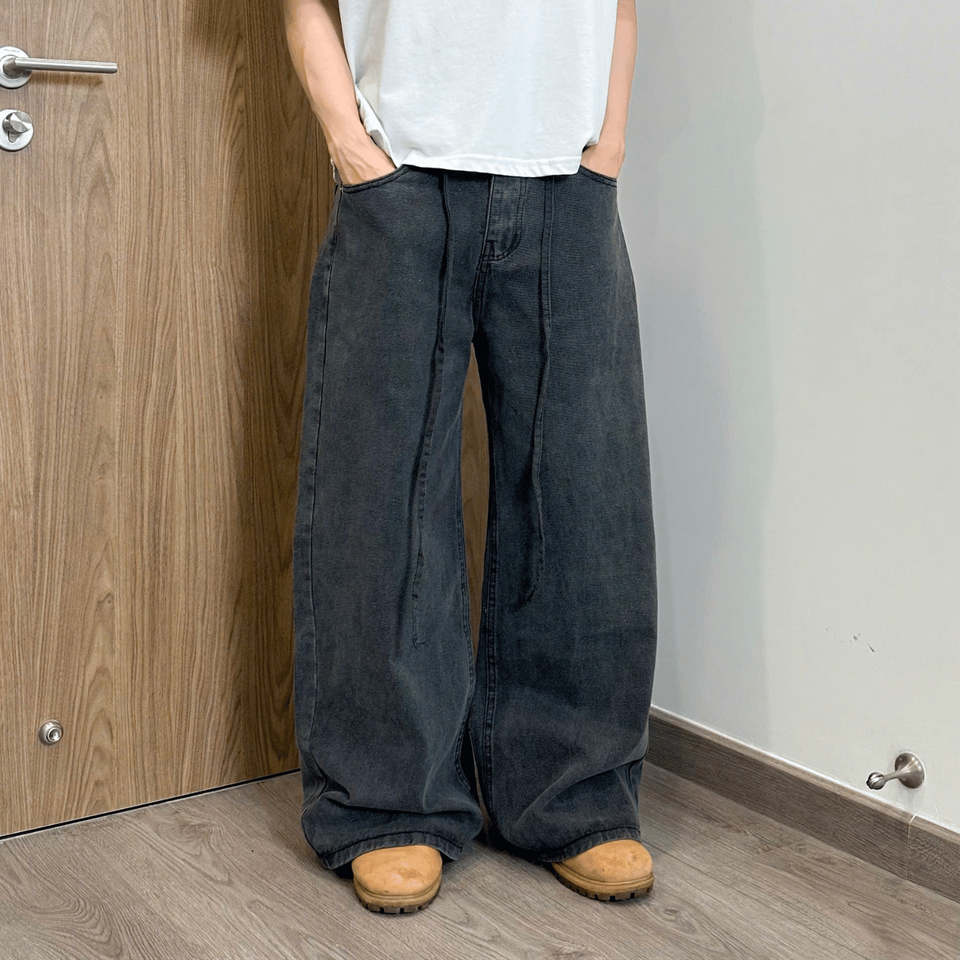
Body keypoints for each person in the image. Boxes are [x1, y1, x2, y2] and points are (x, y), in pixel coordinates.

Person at [282, 0, 658, 914]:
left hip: (570, 183)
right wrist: (352, 147)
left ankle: (573, 795)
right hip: (400, 182)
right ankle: (386, 804)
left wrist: (607, 143)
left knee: (586, 498)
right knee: (381, 499)